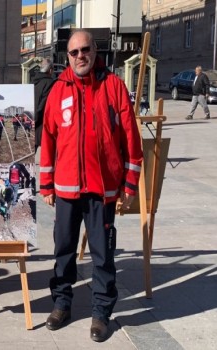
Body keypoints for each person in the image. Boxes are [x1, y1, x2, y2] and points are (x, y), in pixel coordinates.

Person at [39, 30, 143, 343]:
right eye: (74, 52)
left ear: (95, 51)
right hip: (67, 190)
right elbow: (48, 139)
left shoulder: (114, 87)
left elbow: (131, 140)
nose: (80, 56)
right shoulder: (58, 91)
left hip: (103, 190)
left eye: (85, 50)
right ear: (66, 56)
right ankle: (62, 303)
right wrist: (46, 184)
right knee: (63, 251)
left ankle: (100, 313)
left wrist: (130, 182)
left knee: (102, 255)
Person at [33, 58, 55, 153]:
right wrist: (35, 120)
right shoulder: (50, 83)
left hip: (32, 124)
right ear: (50, 70)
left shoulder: (33, 82)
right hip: (41, 125)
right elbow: (43, 105)